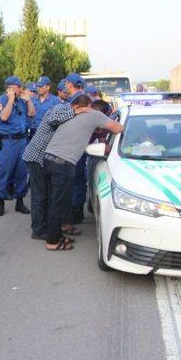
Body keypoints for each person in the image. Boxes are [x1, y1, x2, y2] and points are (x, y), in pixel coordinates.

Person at [42, 93, 123, 251]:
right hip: (63, 164)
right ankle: (52, 241)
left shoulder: (73, 115)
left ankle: (56, 235)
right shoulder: (94, 115)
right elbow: (118, 128)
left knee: (55, 201)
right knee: (58, 203)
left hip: (49, 160)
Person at [24, 95, 92, 240]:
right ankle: (38, 230)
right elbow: (53, 120)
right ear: (79, 106)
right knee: (40, 196)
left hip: (47, 159)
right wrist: (75, 112)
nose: (88, 112)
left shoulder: (69, 113)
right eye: (87, 109)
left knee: (50, 195)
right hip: (37, 157)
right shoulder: (61, 108)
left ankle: (53, 226)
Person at [0, 76, 35, 216]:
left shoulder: (21, 101)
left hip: (22, 140)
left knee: (22, 172)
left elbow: (32, 113)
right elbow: (4, 117)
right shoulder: (0, 101)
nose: (21, 89)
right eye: (19, 86)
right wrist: (10, 99)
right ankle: (0, 202)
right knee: (5, 171)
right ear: (11, 87)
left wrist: (28, 101)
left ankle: (19, 202)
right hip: (7, 142)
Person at [64, 73, 87, 225]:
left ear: (70, 84)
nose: (65, 85)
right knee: (78, 179)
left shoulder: (75, 101)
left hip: (73, 146)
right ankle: (77, 210)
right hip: (79, 144)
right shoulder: (83, 98)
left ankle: (75, 211)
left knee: (73, 179)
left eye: (66, 83)